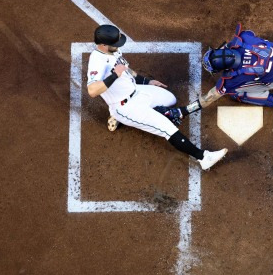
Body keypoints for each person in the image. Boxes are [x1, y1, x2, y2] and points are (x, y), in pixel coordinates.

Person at [86, 24, 227, 170]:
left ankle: (157, 112)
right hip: (125, 106)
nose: (118, 46)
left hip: (138, 91)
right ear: (103, 45)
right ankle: (203, 158)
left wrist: (147, 82)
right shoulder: (97, 61)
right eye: (115, 44)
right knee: (167, 128)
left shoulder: (112, 51)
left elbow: (126, 70)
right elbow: (92, 90)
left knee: (171, 99)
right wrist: (115, 74)